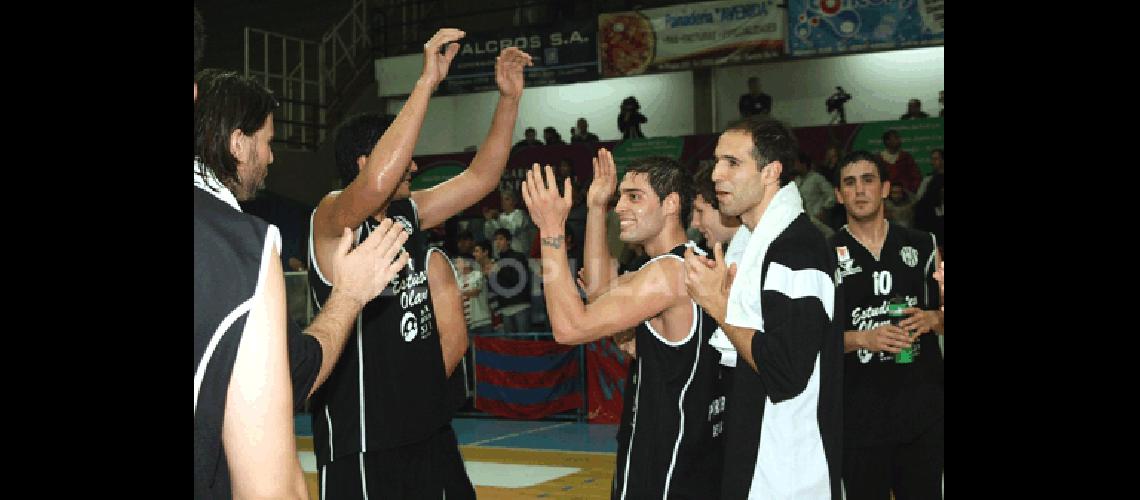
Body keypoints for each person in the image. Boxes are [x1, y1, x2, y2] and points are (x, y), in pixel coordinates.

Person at [306, 30, 532, 498]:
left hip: (428, 431)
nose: (412, 166)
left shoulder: (409, 215)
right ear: (367, 160)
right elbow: (373, 186)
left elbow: (482, 177)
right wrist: (426, 82)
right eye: (403, 156)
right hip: (365, 445)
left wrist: (508, 100)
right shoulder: (332, 220)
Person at [193, 13, 411, 499]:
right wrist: (350, 294)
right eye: (268, 143)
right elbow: (292, 385)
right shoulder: (240, 246)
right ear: (237, 143)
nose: (272, 158)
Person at [521, 150, 725, 499]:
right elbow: (601, 300)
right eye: (621, 197)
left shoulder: (666, 274)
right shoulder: (684, 264)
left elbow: (570, 328)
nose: (621, 207)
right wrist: (597, 208)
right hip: (692, 452)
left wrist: (552, 232)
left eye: (634, 197)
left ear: (671, 203)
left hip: (665, 461)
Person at [683, 116, 843, 499]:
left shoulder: (797, 249)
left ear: (771, 171)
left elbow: (786, 372)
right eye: (718, 161)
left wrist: (718, 305)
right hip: (757, 455)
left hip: (791, 470)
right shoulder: (759, 244)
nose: (717, 174)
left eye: (732, 163)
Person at [829, 151, 943, 500]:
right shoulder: (824, 253)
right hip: (859, 413)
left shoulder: (923, 245)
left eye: (868, 180)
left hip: (921, 408)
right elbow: (812, 338)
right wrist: (864, 338)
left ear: (885, 188)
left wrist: (935, 318)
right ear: (839, 195)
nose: (860, 190)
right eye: (850, 183)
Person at [489, 228, 533, 333]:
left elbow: (517, 281)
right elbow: (496, 286)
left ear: (508, 241)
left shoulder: (519, 257)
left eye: (501, 239)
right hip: (505, 307)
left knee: (524, 343)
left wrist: (499, 270)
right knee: (510, 345)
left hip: (520, 305)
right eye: (496, 240)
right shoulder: (496, 261)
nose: (497, 242)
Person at [793, 150, 837, 238]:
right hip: (803, 222)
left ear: (803, 164)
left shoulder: (817, 178)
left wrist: (824, 209)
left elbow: (832, 194)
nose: (795, 166)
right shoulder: (796, 181)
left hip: (818, 221)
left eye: (796, 163)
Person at [483, 189, 533, 255]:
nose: (503, 202)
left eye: (507, 199)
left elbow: (512, 230)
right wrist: (489, 221)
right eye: (502, 200)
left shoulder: (520, 214)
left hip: (517, 253)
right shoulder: (500, 216)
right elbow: (489, 235)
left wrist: (497, 218)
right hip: (500, 254)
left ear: (514, 201)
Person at [879, 130, 921, 195]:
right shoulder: (879, 159)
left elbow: (916, 176)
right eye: (896, 138)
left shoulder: (906, 157)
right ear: (887, 141)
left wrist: (910, 191)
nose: (899, 140)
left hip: (905, 196)